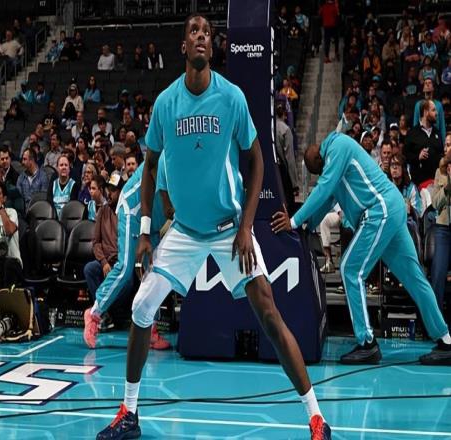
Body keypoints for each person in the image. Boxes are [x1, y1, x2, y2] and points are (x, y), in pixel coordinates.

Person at [94, 14, 331, 440]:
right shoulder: (166, 103)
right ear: (184, 46)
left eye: (207, 32)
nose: (201, 37)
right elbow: (150, 167)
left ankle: (316, 418)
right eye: (194, 32)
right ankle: (129, 414)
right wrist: (145, 230)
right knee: (141, 309)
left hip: (228, 229)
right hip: (184, 231)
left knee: (269, 314)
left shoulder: (231, 97)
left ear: (212, 46)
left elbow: (257, 161)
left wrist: (246, 227)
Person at [278, 131, 451, 366]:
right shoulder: (335, 166)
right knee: (414, 277)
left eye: (319, 171)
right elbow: (326, 200)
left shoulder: (338, 146)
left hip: (381, 210)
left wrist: (293, 221)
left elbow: (323, 188)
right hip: (392, 209)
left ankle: (367, 342)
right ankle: (445, 339)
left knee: (350, 268)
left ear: (320, 158)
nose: (321, 175)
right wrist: (305, 226)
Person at [84, 156, 172, 351]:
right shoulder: (167, 155)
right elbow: (158, 185)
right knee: (125, 267)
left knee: (155, 272)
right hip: (133, 209)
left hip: (154, 219)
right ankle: (94, 314)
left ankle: (151, 329)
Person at [83, 173, 121, 304]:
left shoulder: (126, 212)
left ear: (121, 192)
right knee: (89, 269)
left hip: (121, 263)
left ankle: (114, 310)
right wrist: (104, 262)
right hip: (106, 261)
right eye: (108, 190)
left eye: (113, 191)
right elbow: (96, 242)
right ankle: (101, 309)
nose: (109, 194)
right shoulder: (103, 211)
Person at [431, 151, 451, 314]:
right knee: (438, 273)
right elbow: (435, 203)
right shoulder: (440, 172)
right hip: (443, 228)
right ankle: (436, 319)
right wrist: (447, 187)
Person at [405, 100, 443, 187]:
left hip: (436, 184)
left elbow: (441, 154)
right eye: (433, 110)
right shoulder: (412, 133)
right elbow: (405, 156)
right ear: (426, 112)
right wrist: (418, 157)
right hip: (418, 184)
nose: (436, 113)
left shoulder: (437, 133)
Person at [16, 147, 49, 211]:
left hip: (38, 210)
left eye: (25, 159)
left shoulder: (43, 177)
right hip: (23, 211)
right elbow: (19, 198)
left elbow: (43, 199)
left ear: (31, 160)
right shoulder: (21, 177)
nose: (22, 162)